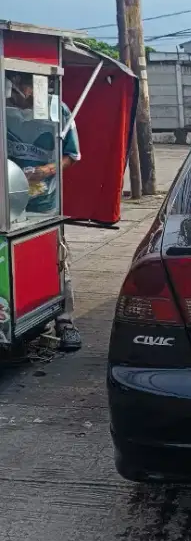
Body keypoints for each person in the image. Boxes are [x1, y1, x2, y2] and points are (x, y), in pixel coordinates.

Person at [5, 72, 82, 351]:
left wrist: (45, 171)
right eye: (17, 88)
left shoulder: (57, 109)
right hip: (8, 201)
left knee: (56, 260)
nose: (22, 95)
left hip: (44, 201)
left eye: (27, 88)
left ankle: (65, 322)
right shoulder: (4, 109)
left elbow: (72, 155)